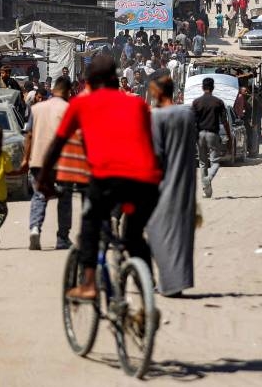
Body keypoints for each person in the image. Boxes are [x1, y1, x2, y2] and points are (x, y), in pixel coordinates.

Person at [37, 55, 162, 300]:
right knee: (134, 235)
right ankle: (148, 286)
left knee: (90, 226)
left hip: (107, 178)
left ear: (89, 83)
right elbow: (151, 146)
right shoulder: (137, 104)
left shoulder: (81, 105)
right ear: (116, 80)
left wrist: (43, 178)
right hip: (146, 182)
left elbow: (57, 144)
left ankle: (90, 284)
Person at [146, 71, 198, 297]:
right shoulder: (187, 114)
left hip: (164, 182)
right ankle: (179, 280)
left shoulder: (156, 117)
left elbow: (156, 153)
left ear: (157, 92)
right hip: (186, 182)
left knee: (158, 229)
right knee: (181, 232)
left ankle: (168, 283)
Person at [22, 76, 73, 251]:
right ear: (68, 92)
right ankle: (62, 238)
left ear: (53, 89)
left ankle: (35, 229)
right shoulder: (69, 109)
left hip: (38, 160)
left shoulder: (37, 109)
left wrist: (25, 159)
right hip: (62, 161)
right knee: (65, 198)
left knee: (39, 195)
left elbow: (28, 135)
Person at [191, 76, 231, 199]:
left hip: (200, 135)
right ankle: (208, 179)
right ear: (213, 88)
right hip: (213, 134)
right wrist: (229, 135)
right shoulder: (218, 102)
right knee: (216, 162)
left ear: (203, 88)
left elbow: (192, 121)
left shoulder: (196, 102)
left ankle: (206, 191)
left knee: (203, 163)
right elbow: (224, 121)